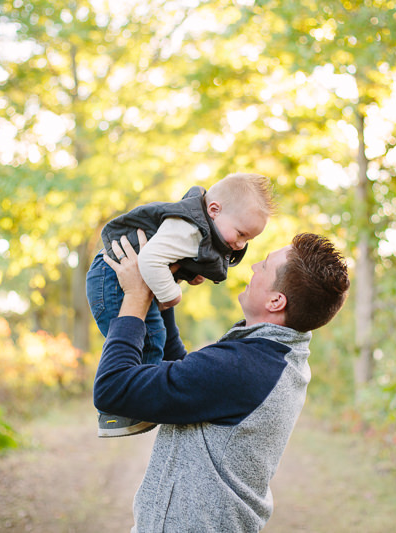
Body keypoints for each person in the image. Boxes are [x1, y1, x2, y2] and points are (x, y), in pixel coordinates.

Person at [94, 229, 350, 532]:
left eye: (265, 266)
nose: (254, 267)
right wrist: (162, 290)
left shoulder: (245, 366)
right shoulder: (274, 356)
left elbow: (113, 389)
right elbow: (188, 377)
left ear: (276, 301)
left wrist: (136, 295)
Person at [86, 173, 275, 437]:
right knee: (149, 341)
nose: (241, 245)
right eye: (241, 234)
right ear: (214, 209)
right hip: (112, 279)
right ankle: (126, 407)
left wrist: (187, 272)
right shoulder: (189, 228)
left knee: (156, 339)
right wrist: (171, 295)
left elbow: (169, 256)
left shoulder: (200, 226)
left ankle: (134, 400)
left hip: (115, 276)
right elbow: (151, 260)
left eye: (248, 240)